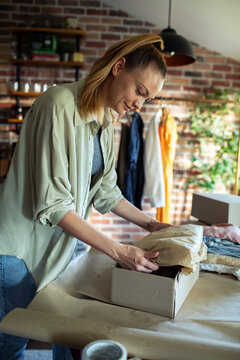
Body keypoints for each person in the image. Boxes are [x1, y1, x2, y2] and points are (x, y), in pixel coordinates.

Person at [0, 33, 170, 359]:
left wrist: (152, 225)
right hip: (16, 251)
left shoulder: (106, 120)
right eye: (139, 91)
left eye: (147, 100)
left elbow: (106, 191)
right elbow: (54, 204)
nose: (139, 104)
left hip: (54, 248)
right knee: (11, 343)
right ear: (118, 67)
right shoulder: (59, 105)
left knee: (65, 331)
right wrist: (118, 250)